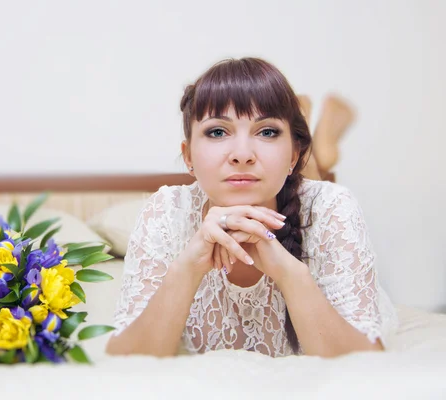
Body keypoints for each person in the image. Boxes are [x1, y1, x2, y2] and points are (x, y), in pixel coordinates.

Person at [106, 57, 397, 358]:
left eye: (267, 131)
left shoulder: (331, 206)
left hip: (300, 186)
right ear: (188, 156)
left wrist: (288, 272)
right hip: (281, 176)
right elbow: (128, 360)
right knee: (282, 178)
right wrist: (188, 267)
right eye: (217, 131)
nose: (242, 154)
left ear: (294, 156)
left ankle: (314, 151)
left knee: (308, 189)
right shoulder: (166, 212)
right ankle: (314, 143)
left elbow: (364, 362)